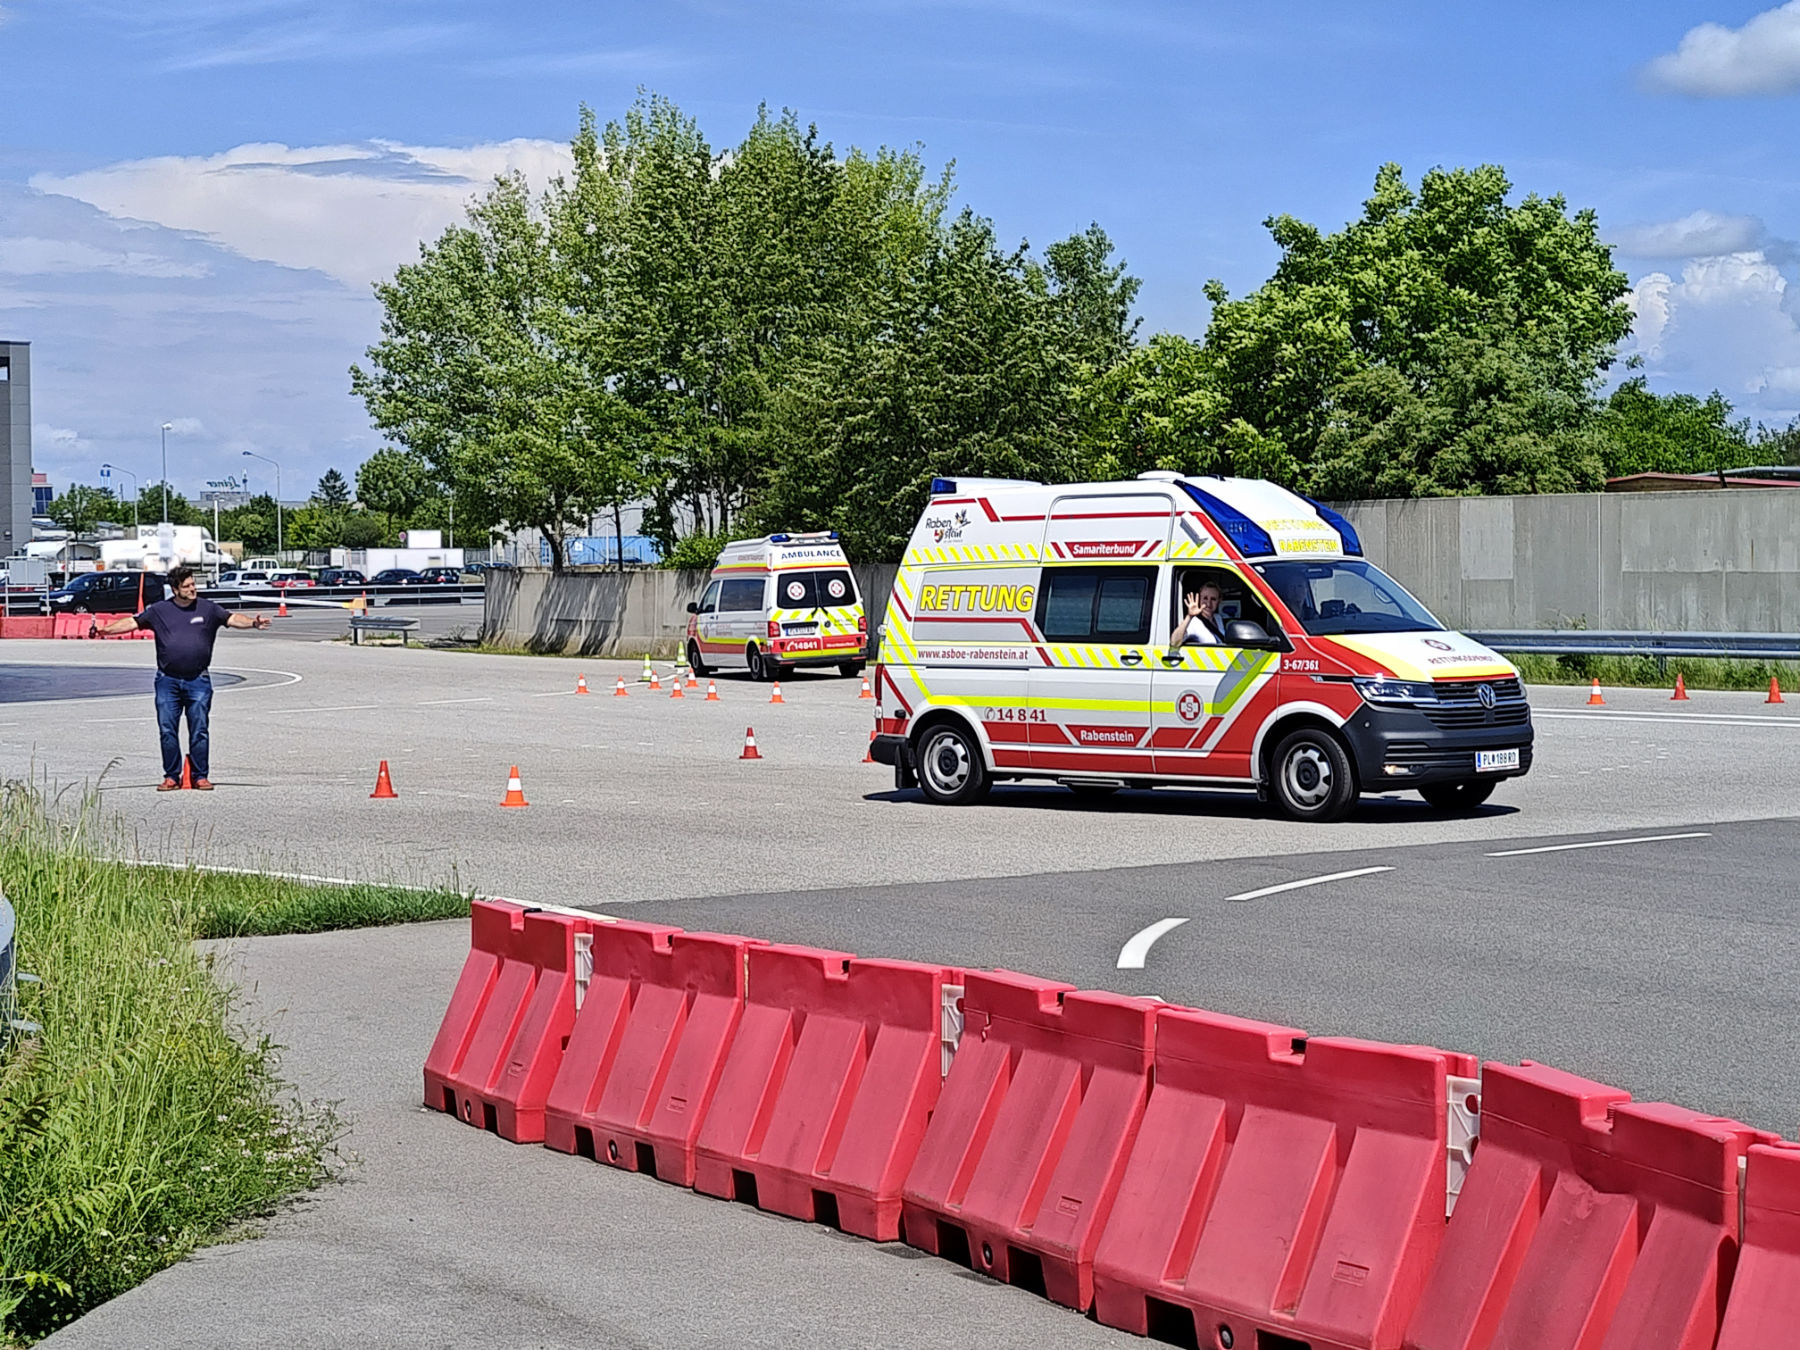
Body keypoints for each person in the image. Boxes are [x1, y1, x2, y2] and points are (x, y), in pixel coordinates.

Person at [98, 565, 270, 790]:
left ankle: (200, 776)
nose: (193, 589)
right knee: (167, 728)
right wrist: (106, 630)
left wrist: (253, 623)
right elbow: (132, 622)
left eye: (193, 584)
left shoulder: (207, 609)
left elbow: (232, 618)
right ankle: (171, 776)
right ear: (175, 589)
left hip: (198, 680)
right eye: (187, 586)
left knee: (199, 728)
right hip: (167, 680)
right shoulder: (159, 610)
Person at [1170, 578, 1227, 647]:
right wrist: (1189, 616)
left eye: (1213, 599)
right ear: (1199, 599)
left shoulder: (1218, 618)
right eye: (1205, 598)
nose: (1208, 603)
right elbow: (1174, 643)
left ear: (1219, 601)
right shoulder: (1194, 622)